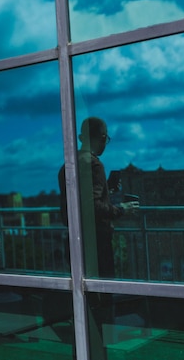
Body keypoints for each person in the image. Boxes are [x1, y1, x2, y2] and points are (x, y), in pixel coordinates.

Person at [58, 117, 138, 278]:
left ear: (82, 138)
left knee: (83, 295)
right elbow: (92, 206)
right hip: (96, 242)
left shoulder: (67, 165)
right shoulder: (94, 165)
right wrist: (121, 209)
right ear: (102, 138)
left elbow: (81, 199)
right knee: (102, 294)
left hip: (74, 239)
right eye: (106, 138)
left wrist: (106, 187)